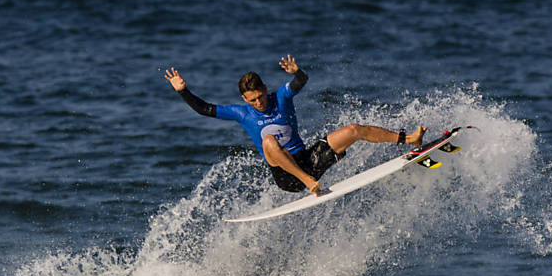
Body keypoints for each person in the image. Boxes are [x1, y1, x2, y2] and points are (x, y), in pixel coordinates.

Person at [164, 55, 425, 196]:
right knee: (269, 143)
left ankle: (408, 139)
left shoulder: (281, 97)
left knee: (354, 129)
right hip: (288, 177)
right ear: (244, 99)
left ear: (266, 89)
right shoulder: (241, 113)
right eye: (252, 100)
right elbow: (204, 109)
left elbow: (301, 81)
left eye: (260, 96)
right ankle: (309, 183)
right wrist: (183, 91)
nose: (258, 103)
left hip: (308, 159)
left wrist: (297, 73)